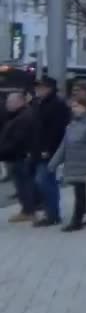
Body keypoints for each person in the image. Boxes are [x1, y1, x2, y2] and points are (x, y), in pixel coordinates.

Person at [47, 95, 86, 232]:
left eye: (77, 106)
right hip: (74, 164)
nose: (74, 109)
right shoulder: (72, 125)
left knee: (81, 194)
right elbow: (64, 146)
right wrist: (53, 163)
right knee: (83, 193)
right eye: (73, 107)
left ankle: (76, 221)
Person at [31, 77, 71, 227]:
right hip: (39, 149)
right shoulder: (40, 103)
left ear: (48, 88)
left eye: (40, 87)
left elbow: (56, 130)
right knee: (44, 181)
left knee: (45, 181)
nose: (37, 90)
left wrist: (47, 149)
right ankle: (51, 213)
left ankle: (53, 214)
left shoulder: (56, 105)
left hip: (48, 150)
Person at [1, 92, 39, 222]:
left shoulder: (24, 117)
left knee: (24, 185)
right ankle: (27, 210)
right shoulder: (18, 115)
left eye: (10, 102)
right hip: (15, 156)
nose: (7, 105)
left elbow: (17, 140)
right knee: (22, 185)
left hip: (19, 156)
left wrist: (3, 151)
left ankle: (29, 211)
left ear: (20, 102)